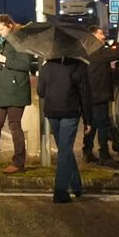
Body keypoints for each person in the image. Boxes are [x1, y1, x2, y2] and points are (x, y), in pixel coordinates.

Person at [36, 54, 92, 203]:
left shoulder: (46, 66)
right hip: (70, 111)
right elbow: (85, 94)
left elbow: (40, 91)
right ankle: (60, 190)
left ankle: (76, 185)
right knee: (65, 150)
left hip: (52, 112)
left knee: (64, 149)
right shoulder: (78, 66)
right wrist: (88, 119)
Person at [0, 14, 34, 174]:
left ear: (9, 26)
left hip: (16, 89)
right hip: (0, 90)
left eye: (1, 29)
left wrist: (4, 60)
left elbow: (25, 64)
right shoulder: (2, 41)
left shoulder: (20, 40)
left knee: (14, 125)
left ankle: (19, 162)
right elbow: (0, 60)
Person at [83, 22, 119, 167]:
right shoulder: (96, 51)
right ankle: (104, 155)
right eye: (100, 34)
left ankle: (87, 152)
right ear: (92, 36)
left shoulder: (86, 50)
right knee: (103, 124)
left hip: (90, 95)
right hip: (98, 95)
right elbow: (116, 53)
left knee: (92, 124)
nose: (103, 36)